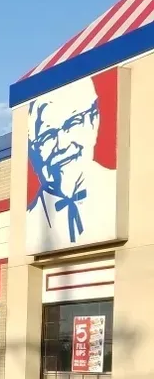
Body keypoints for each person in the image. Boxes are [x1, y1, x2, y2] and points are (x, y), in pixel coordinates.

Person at [26, 77, 116, 253]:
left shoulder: (121, 192)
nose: (62, 144)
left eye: (72, 123)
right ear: (35, 150)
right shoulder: (29, 221)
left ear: (93, 121)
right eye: (48, 136)